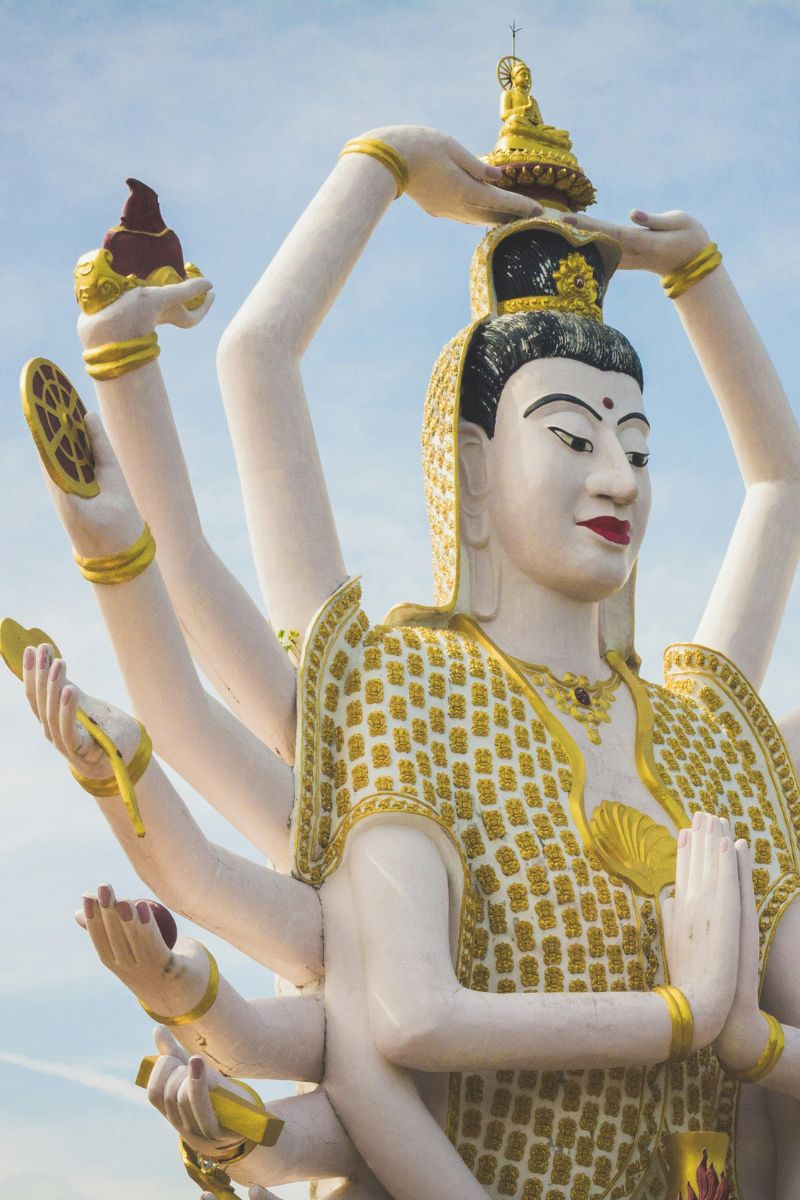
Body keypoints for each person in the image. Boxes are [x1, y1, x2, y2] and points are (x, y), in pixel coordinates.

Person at [15, 74, 800, 1200]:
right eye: (571, 438)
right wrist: (384, 160)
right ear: (474, 467)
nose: (617, 475)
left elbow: (776, 487)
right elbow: (255, 363)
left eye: (635, 442)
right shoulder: (410, 694)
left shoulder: (704, 736)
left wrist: (699, 276)